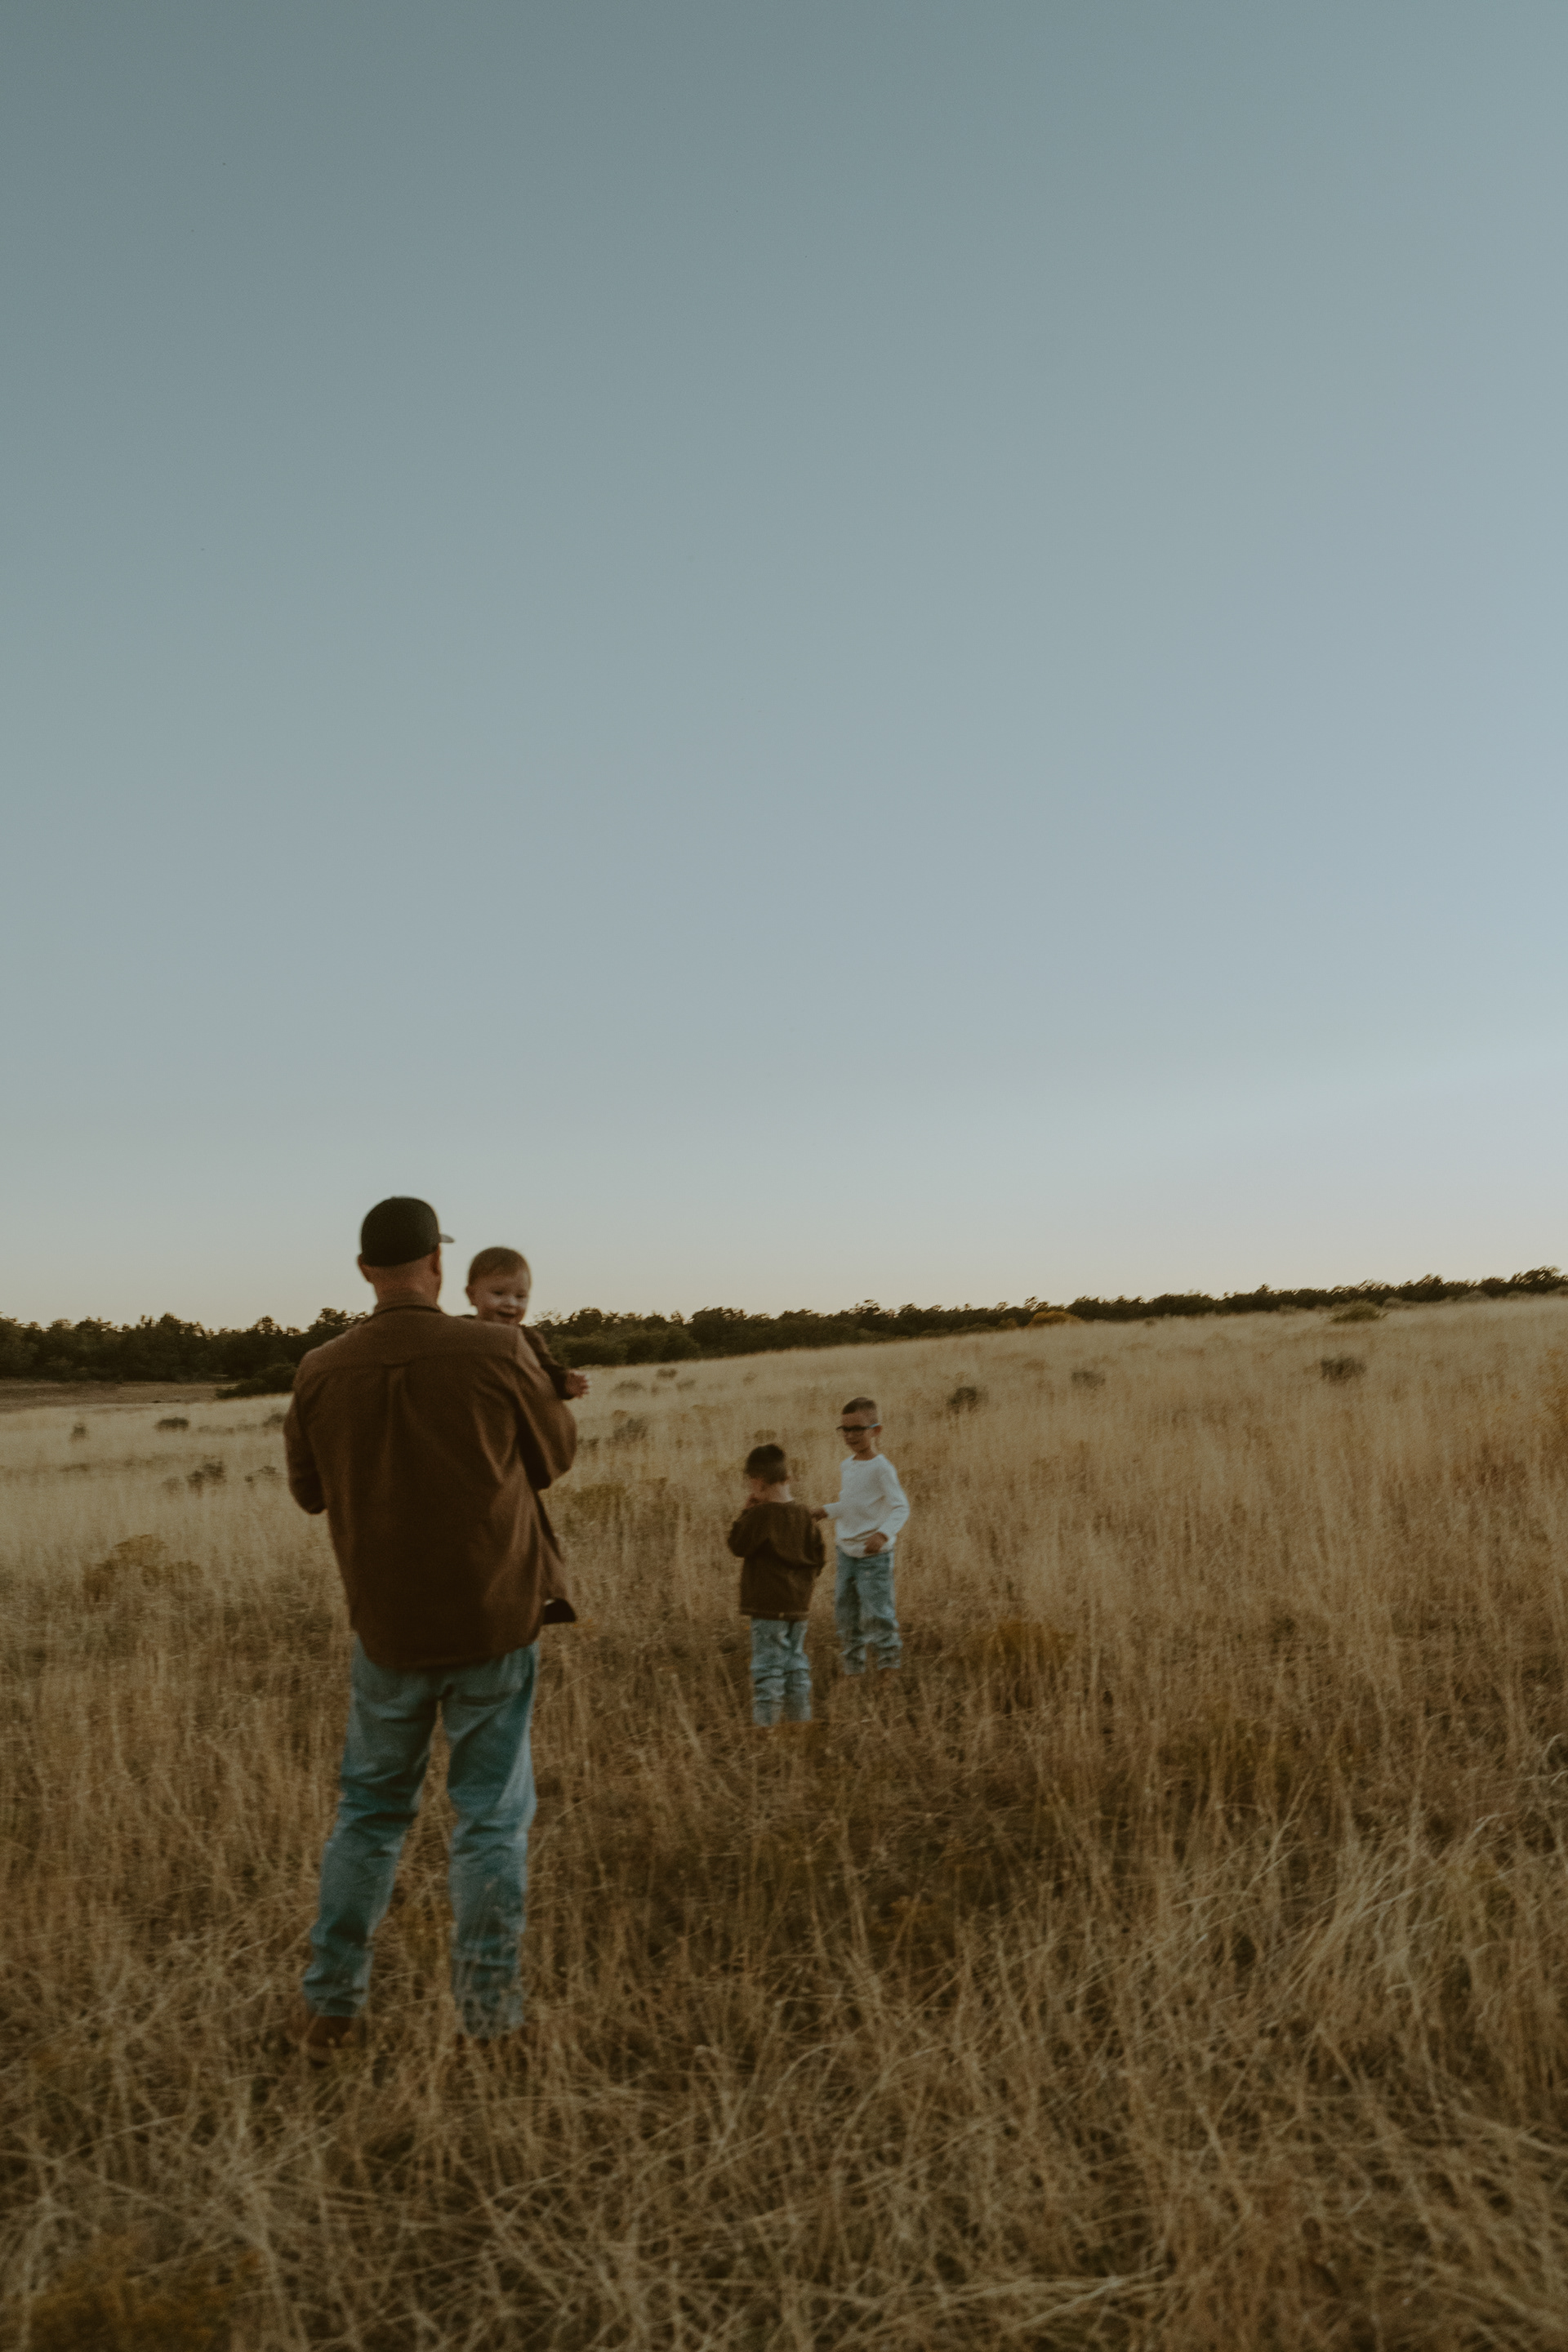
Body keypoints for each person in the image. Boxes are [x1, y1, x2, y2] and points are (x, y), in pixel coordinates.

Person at [282, 1196, 578, 2064]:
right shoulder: (496, 1349)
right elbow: (555, 1459)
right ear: (438, 1266)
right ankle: (489, 2020)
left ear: (366, 1272)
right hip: (493, 1617)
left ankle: (331, 2007)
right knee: (489, 1821)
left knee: (369, 1815)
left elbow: (309, 1493)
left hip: (387, 1631)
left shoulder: (319, 1369)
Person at [727, 1443, 826, 1726]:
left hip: (767, 1608)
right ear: (788, 1478)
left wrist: (745, 1512)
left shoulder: (760, 1515)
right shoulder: (805, 1515)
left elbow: (737, 1545)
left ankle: (766, 1728)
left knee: (768, 1668)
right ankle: (799, 1723)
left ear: (756, 1481)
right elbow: (819, 1557)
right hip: (798, 1606)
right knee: (796, 1664)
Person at [812, 1396, 909, 1677]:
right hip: (847, 1553)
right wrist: (825, 1511)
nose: (851, 1435)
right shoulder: (848, 1466)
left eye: (858, 1429)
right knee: (846, 1615)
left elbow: (901, 1506)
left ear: (876, 1430)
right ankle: (853, 1670)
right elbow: (852, 1505)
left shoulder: (882, 1468)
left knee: (878, 1615)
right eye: (845, 1429)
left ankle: (887, 1669)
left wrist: (883, 1533)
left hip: (873, 1558)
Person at [465, 1244, 591, 1400]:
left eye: (520, 1296)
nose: (511, 1303)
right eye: (498, 1293)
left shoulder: (528, 1338)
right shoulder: (458, 1330)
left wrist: (566, 1383)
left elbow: (550, 1371)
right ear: (472, 1295)